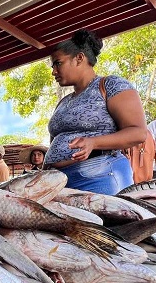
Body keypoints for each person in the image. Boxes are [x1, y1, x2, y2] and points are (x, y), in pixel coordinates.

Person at [43, 29, 148, 194]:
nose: (53, 71)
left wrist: (94, 142)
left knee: (103, 220)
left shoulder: (110, 85)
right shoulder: (64, 101)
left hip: (98, 175)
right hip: (58, 182)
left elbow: (138, 133)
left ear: (79, 58)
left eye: (58, 63)